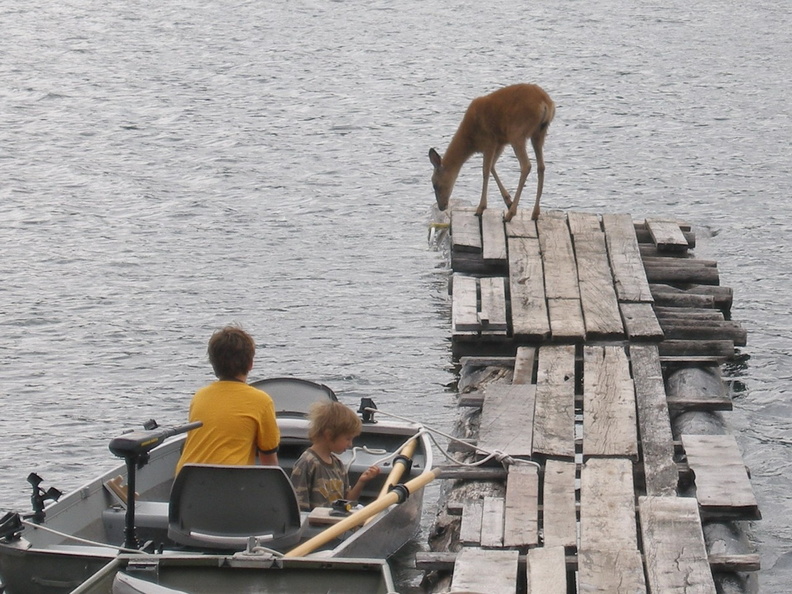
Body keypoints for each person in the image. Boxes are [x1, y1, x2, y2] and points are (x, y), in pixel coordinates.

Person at [175, 325, 279, 475]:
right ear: (250, 364)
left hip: (186, 487)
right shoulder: (261, 401)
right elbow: (269, 464)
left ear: (213, 364)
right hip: (228, 488)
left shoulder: (199, 396)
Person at [290, 401, 380, 511]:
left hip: (336, 523)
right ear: (329, 435)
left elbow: (347, 503)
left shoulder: (338, 465)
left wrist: (362, 481)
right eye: (348, 439)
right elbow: (299, 508)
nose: (350, 444)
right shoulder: (307, 464)